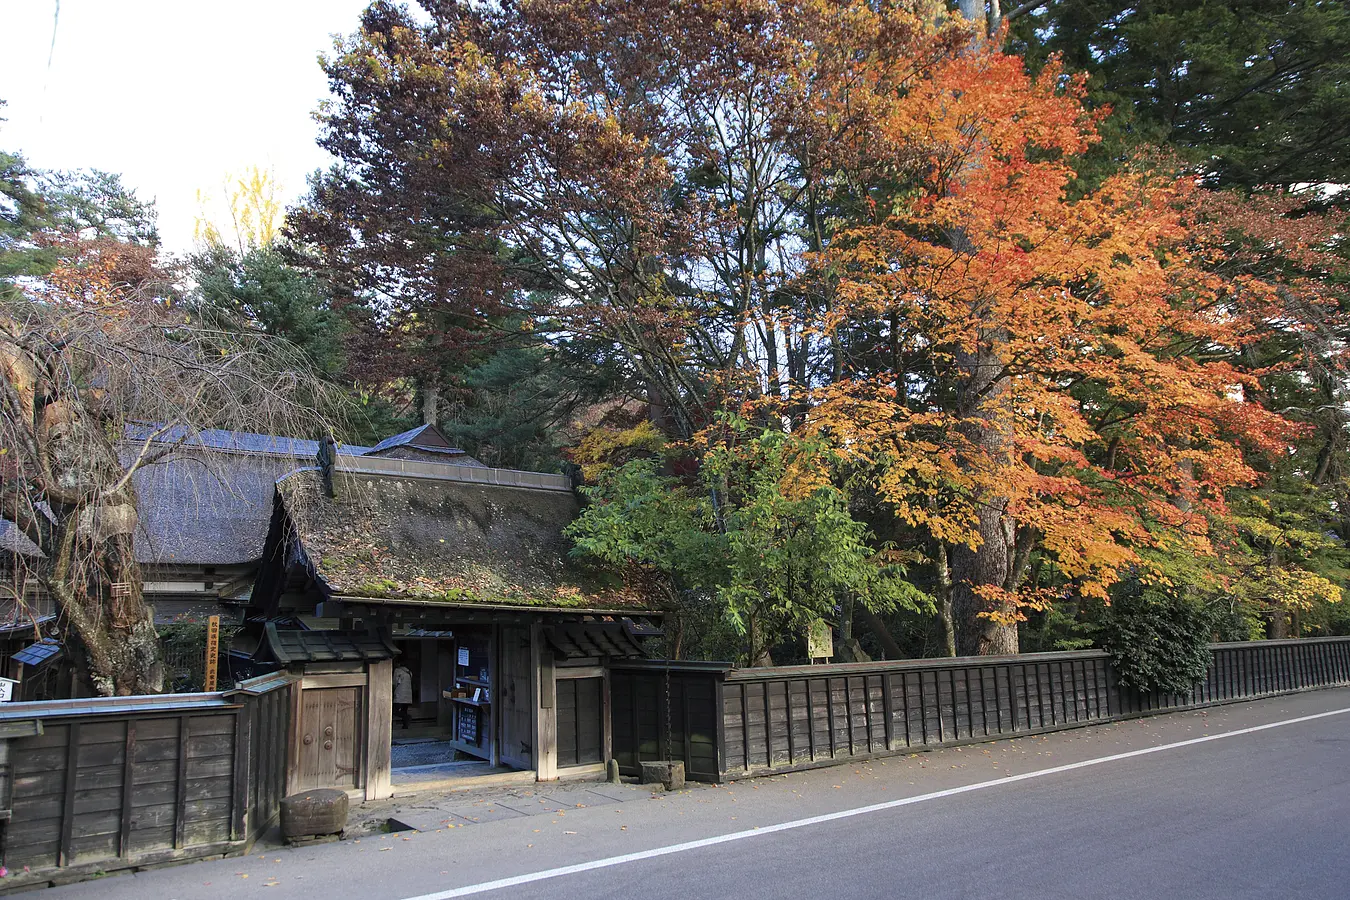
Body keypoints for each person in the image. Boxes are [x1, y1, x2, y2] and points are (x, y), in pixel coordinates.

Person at [392, 662, 413, 729]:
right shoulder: (409, 672)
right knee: (404, 710)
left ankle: (407, 717)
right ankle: (405, 726)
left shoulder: (397, 671)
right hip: (408, 695)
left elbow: (394, 682)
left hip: (400, 694)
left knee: (395, 711)